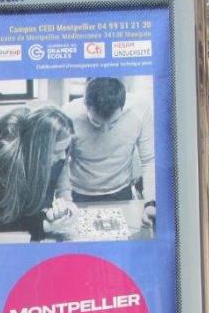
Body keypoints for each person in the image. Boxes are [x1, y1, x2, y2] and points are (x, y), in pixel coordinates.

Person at [61, 77, 156, 225]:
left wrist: (150, 203)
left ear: (122, 106)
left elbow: (149, 161)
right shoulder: (68, 114)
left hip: (121, 192)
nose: (105, 131)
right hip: (78, 194)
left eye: (113, 123)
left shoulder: (140, 109)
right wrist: (65, 199)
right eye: (96, 123)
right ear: (86, 105)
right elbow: (62, 161)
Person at [0, 106, 78, 241]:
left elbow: (63, 167)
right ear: (37, 151)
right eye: (56, 152)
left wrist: (67, 203)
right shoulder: (6, 164)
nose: (63, 157)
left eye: (65, 150)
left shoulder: (57, 156)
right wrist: (46, 226)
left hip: (33, 218)